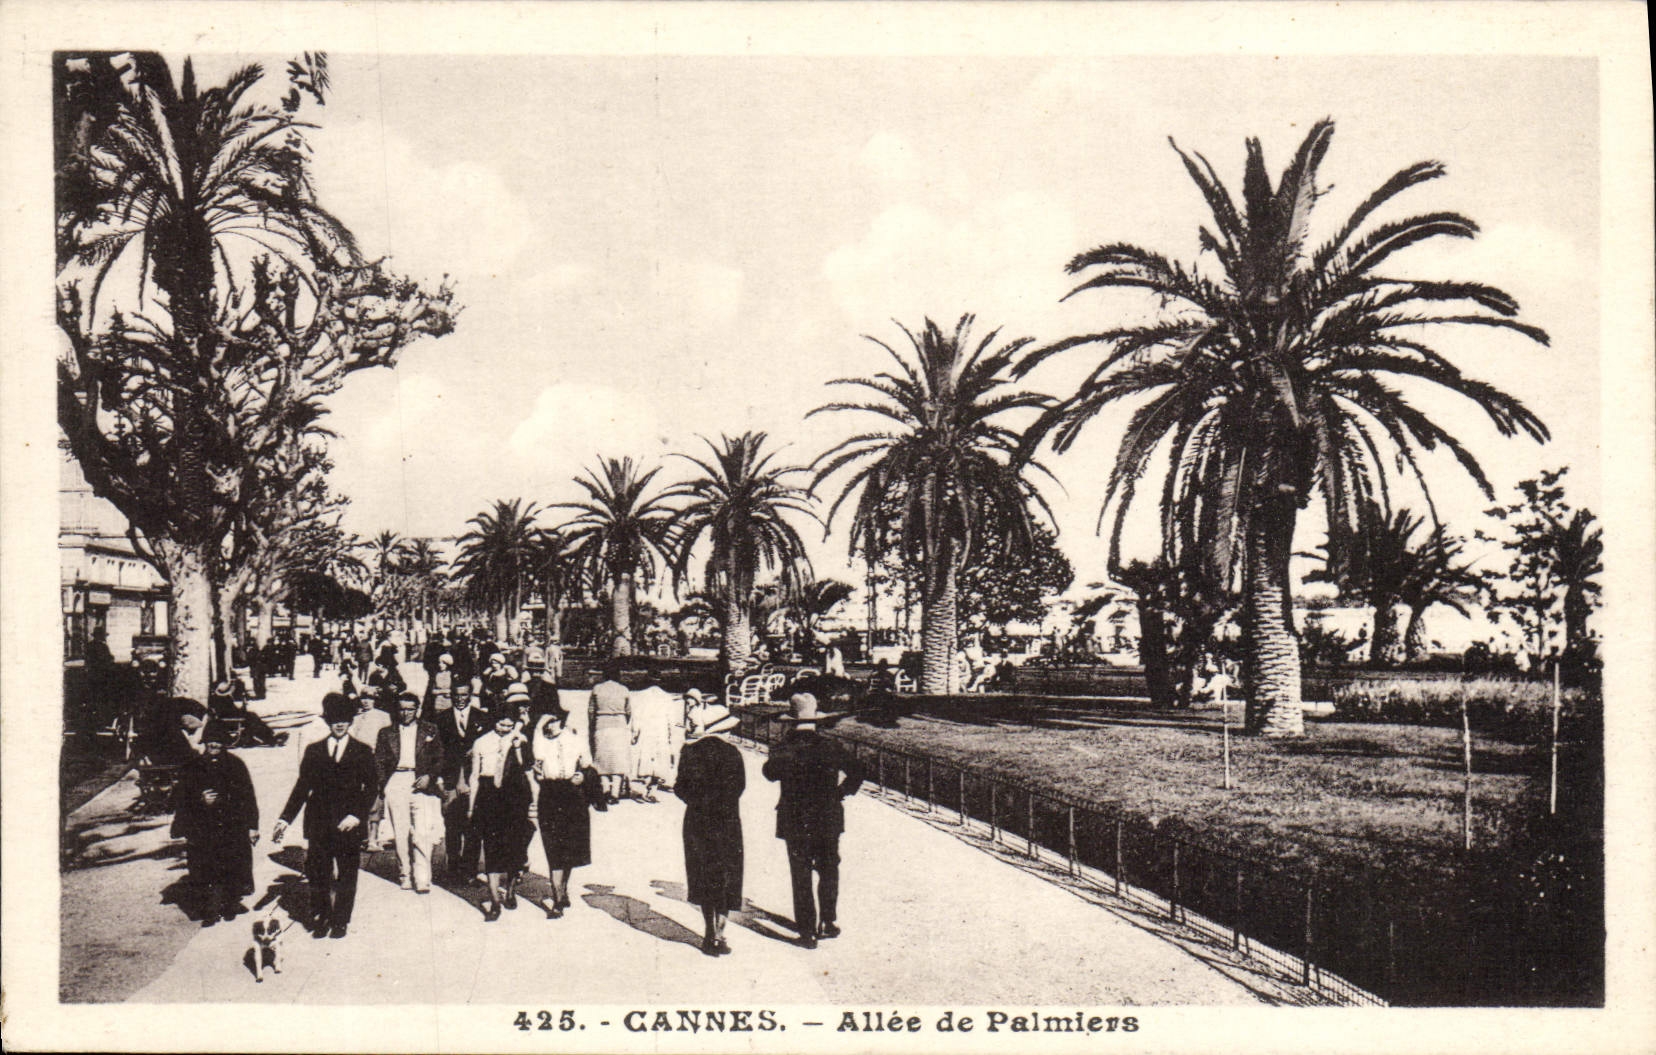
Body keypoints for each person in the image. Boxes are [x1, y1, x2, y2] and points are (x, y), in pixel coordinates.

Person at [762, 692, 865, 948]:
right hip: (827, 817)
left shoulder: (784, 747)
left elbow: (769, 773)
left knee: (801, 873)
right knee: (829, 869)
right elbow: (858, 771)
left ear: (791, 720)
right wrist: (840, 792)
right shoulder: (830, 746)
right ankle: (827, 921)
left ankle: (806, 931)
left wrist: (781, 748)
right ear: (816, 720)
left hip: (795, 819)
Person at [273, 693, 378, 939]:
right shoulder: (314, 750)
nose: (339, 724)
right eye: (334, 720)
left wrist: (356, 815)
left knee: (347, 874)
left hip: (348, 825)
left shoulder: (362, 751)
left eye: (344, 719)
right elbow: (302, 787)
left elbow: (372, 787)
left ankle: (340, 920)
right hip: (319, 823)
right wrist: (285, 819)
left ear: (350, 721)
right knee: (318, 872)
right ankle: (322, 916)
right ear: (327, 721)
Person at [170, 723, 260, 925]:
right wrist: (199, 800)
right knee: (204, 869)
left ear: (225, 743)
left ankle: (230, 905)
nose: (214, 745)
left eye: (218, 741)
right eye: (211, 741)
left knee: (232, 866)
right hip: (203, 828)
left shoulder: (236, 765)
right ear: (205, 742)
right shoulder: (192, 766)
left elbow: (248, 797)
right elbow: (180, 798)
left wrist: (253, 826)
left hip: (231, 826)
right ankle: (209, 911)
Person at [675, 701, 745, 956]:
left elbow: (679, 788)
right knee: (726, 875)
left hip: (697, 821)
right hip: (727, 821)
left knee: (703, 874)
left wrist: (698, 801)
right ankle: (720, 933)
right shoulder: (733, 754)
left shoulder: (689, 751)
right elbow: (739, 788)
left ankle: (708, 932)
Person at [468, 702, 534, 921]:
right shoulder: (481, 742)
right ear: (494, 721)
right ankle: (495, 901)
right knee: (492, 847)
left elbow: (526, 768)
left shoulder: (520, 740)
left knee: (515, 847)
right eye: (501, 724)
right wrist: (471, 806)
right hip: (488, 795)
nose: (505, 729)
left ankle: (511, 890)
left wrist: (517, 746)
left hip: (513, 795)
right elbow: (475, 775)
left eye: (509, 725)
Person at [529, 694, 593, 919]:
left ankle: (563, 889)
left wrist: (582, 775)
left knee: (570, 848)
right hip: (549, 794)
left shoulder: (575, 738)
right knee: (553, 847)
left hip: (572, 795)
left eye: (553, 721)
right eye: (545, 722)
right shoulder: (540, 741)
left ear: (561, 720)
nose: (549, 726)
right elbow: (537, 765)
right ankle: (557, 899)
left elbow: (587, 764)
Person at [374, 693, 444, 893]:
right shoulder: (386, 733)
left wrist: (429, 776)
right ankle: (404, 874)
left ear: (417, 709)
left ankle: (422, 878)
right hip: (397, 780)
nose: (405, 713)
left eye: (410, 709)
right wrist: (385, 784)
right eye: (402, 709)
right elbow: (379, 760)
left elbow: (439, 757)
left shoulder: (430, 729)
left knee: (422, 832)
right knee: (401, 832)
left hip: (420, 781)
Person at [437, 681, 487, 880]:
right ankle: (453, 867)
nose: (460, 699)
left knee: (474, 826)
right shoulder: (441, 718)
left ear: (471, 695)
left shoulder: (482, 717)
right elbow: (437, 751)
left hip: (474, 780)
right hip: (450, 779)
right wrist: (440, 780)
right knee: (452, 825)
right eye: (456, 695)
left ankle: (470, 870)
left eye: (464, 694)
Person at [588, 661, 632, 805]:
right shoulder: (624, 690)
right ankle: (615, 793)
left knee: (602, 761)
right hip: (619, 727)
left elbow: (591, 711)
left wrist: (593, 725)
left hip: (601, 725)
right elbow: (628, 712)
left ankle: (606, 789)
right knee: (618, 761)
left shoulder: (597, 689)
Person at [627, 681, 676, 802]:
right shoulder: (667, 697)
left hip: (647, 732)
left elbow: (636, 717)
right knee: (659, 763)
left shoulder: (641, 696)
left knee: (646, 762)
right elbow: (671, 720)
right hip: (661, 732)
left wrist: (635, 733)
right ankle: (652, 790)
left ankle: (645, 789)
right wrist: (671, 737)